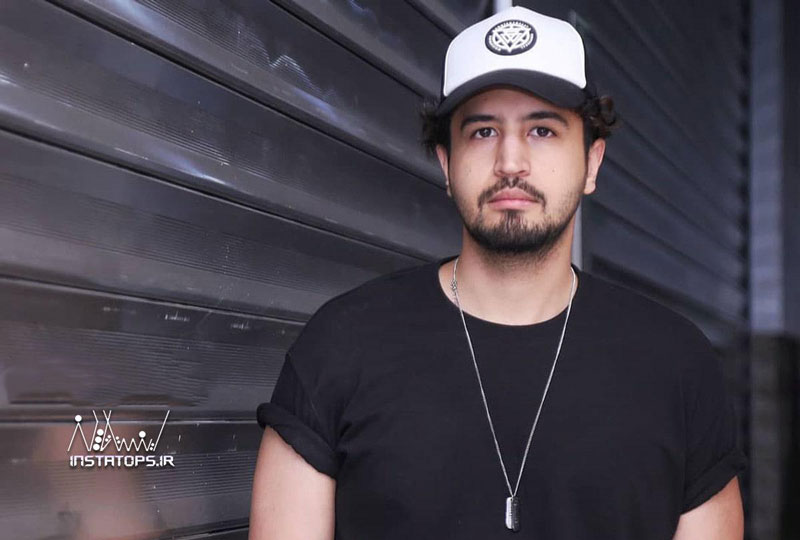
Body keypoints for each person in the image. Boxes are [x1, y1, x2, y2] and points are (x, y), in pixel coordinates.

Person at [249, 5, 747, 539]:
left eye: (543, 130)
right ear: (446, 163)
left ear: (593, 162)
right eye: (484, 131)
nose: (511, 162)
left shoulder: (677, 365)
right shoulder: (340, 346)